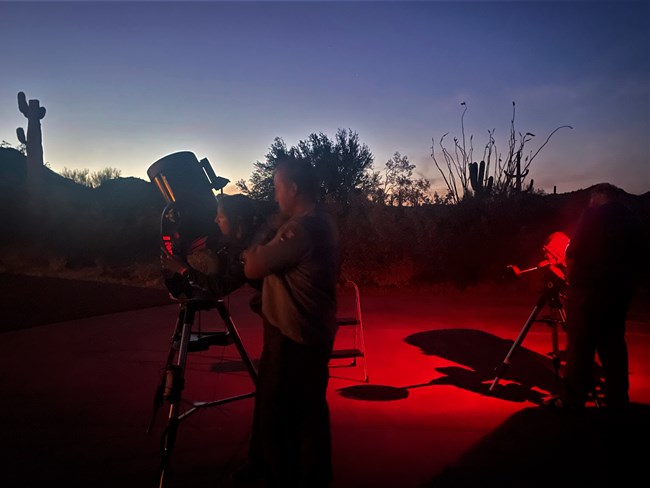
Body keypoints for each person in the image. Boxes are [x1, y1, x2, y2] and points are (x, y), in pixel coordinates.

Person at [239, 157, 340, 488]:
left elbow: (254, 267)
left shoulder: (300, 229)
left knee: (279, 420)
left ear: (293, 188)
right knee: (309, 415)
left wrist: (253, 246)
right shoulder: (322, 222)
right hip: (311, 334)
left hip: (292, 339)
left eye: (277, 188)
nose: (275, 196)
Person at [549, 183, 643, 411]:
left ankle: (573, 399)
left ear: (601, 195)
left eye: (592, 197)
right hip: (618, 292)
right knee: (614, 348)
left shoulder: (593, 214)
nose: (590, 201)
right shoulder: (631, 219)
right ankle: (618, 399)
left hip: (587, 291)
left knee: (580, 347)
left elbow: (574, 249)